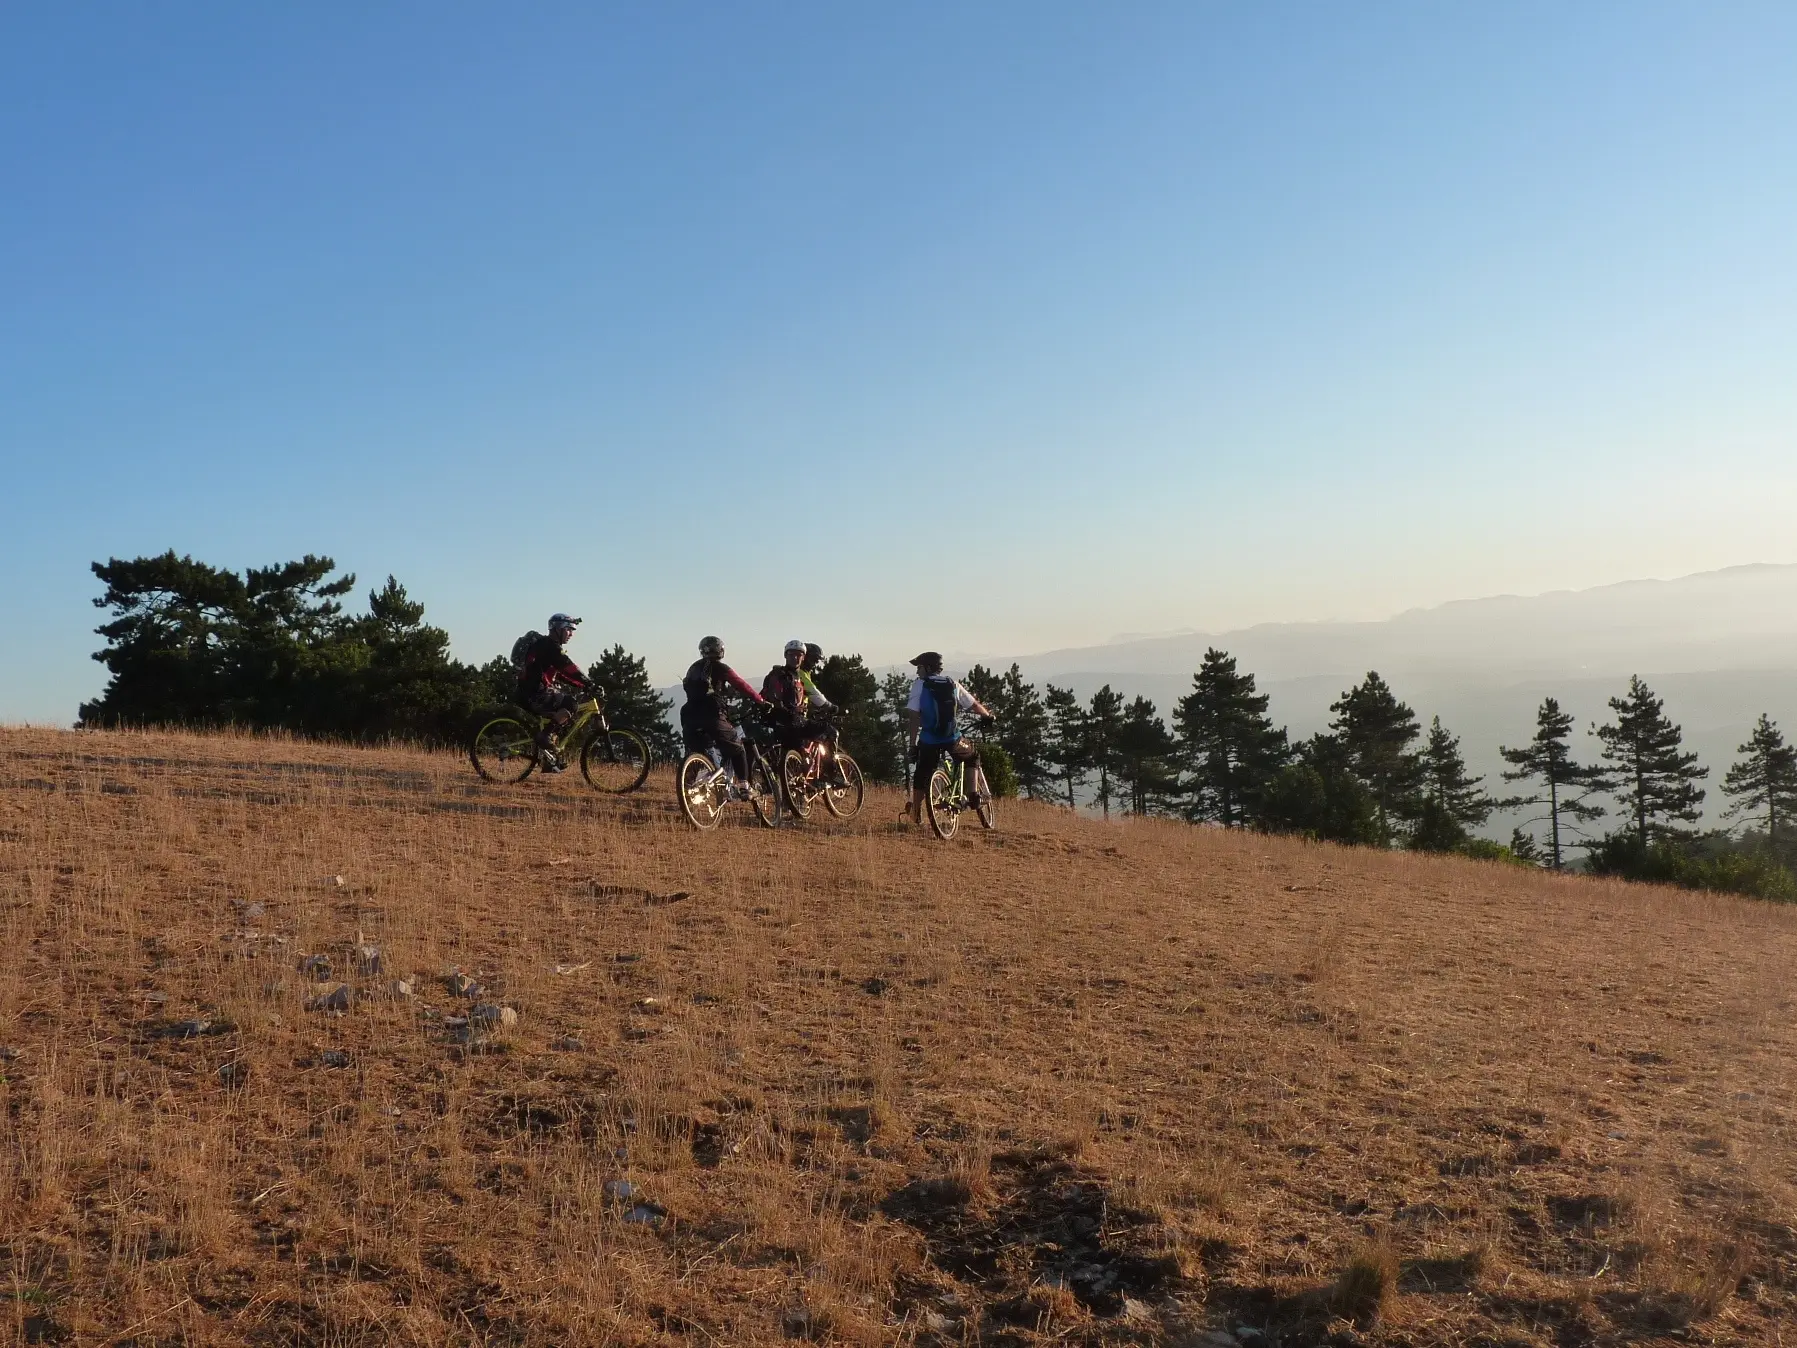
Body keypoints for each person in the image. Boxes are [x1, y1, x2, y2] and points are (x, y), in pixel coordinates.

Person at [904, 651, 995, 824]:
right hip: (952, 738)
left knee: (922, 773)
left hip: (929, 739)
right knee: (972, 756)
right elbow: (974, 704)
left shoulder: (919, 686)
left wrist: (912, 745)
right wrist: (987, 716)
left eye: (919, 667)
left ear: (928, 668)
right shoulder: (952, 684)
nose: (917, 672)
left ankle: (916, 812)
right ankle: (974, 794)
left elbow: (914, 717)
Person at [681, 635, 769, 799]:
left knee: (701, 748)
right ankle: (744, 786)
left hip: (689, 715)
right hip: (712, 714)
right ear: (721, 651)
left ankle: (692, 782)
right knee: (737, 748)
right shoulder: (719, 667)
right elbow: (741, 684)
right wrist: (760, 701)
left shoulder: (693, 668)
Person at [518, 614, 594, 772]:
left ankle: (549, 762)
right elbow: (569, 667)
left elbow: (561, 674)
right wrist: (589, 683)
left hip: (529, 692)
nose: (571, 634)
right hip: (535, 694)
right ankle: (544, 737)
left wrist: (583, 685)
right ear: (558, 629)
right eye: (569, 630)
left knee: (558, 721)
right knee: (570, 704)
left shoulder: (545, 646)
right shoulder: (550, 647)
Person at [762, 639, 839, 762]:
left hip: (781, 719)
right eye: (813, 660)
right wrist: (831, 707)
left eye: (799, 655)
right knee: (831, 732)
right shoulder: (797, 675)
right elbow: (814, 694)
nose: (814, 663)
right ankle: (831, 771)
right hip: (793, 719)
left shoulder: (778, 673)